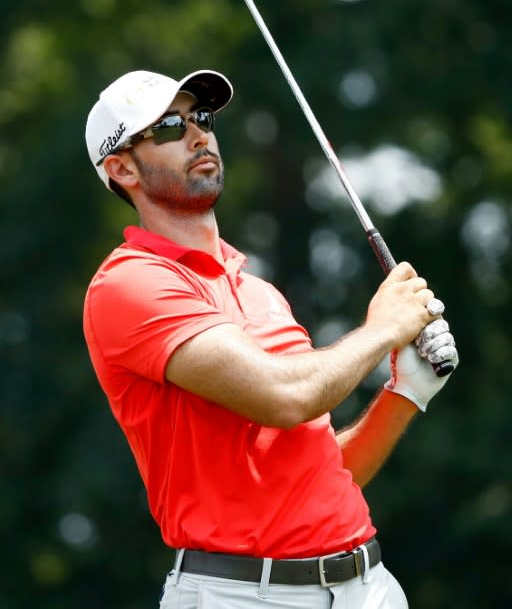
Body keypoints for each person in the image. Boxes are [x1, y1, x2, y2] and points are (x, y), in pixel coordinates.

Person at [83, 68, 458, 609]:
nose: (198, 136)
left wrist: (405, 395)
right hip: (241, 595)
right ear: (121, 168)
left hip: (368, 586)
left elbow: (322, 474)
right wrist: (381, 330)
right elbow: (285, 398)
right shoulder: (129, 284)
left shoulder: (258, 290)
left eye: (202, 118)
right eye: (167, 127)